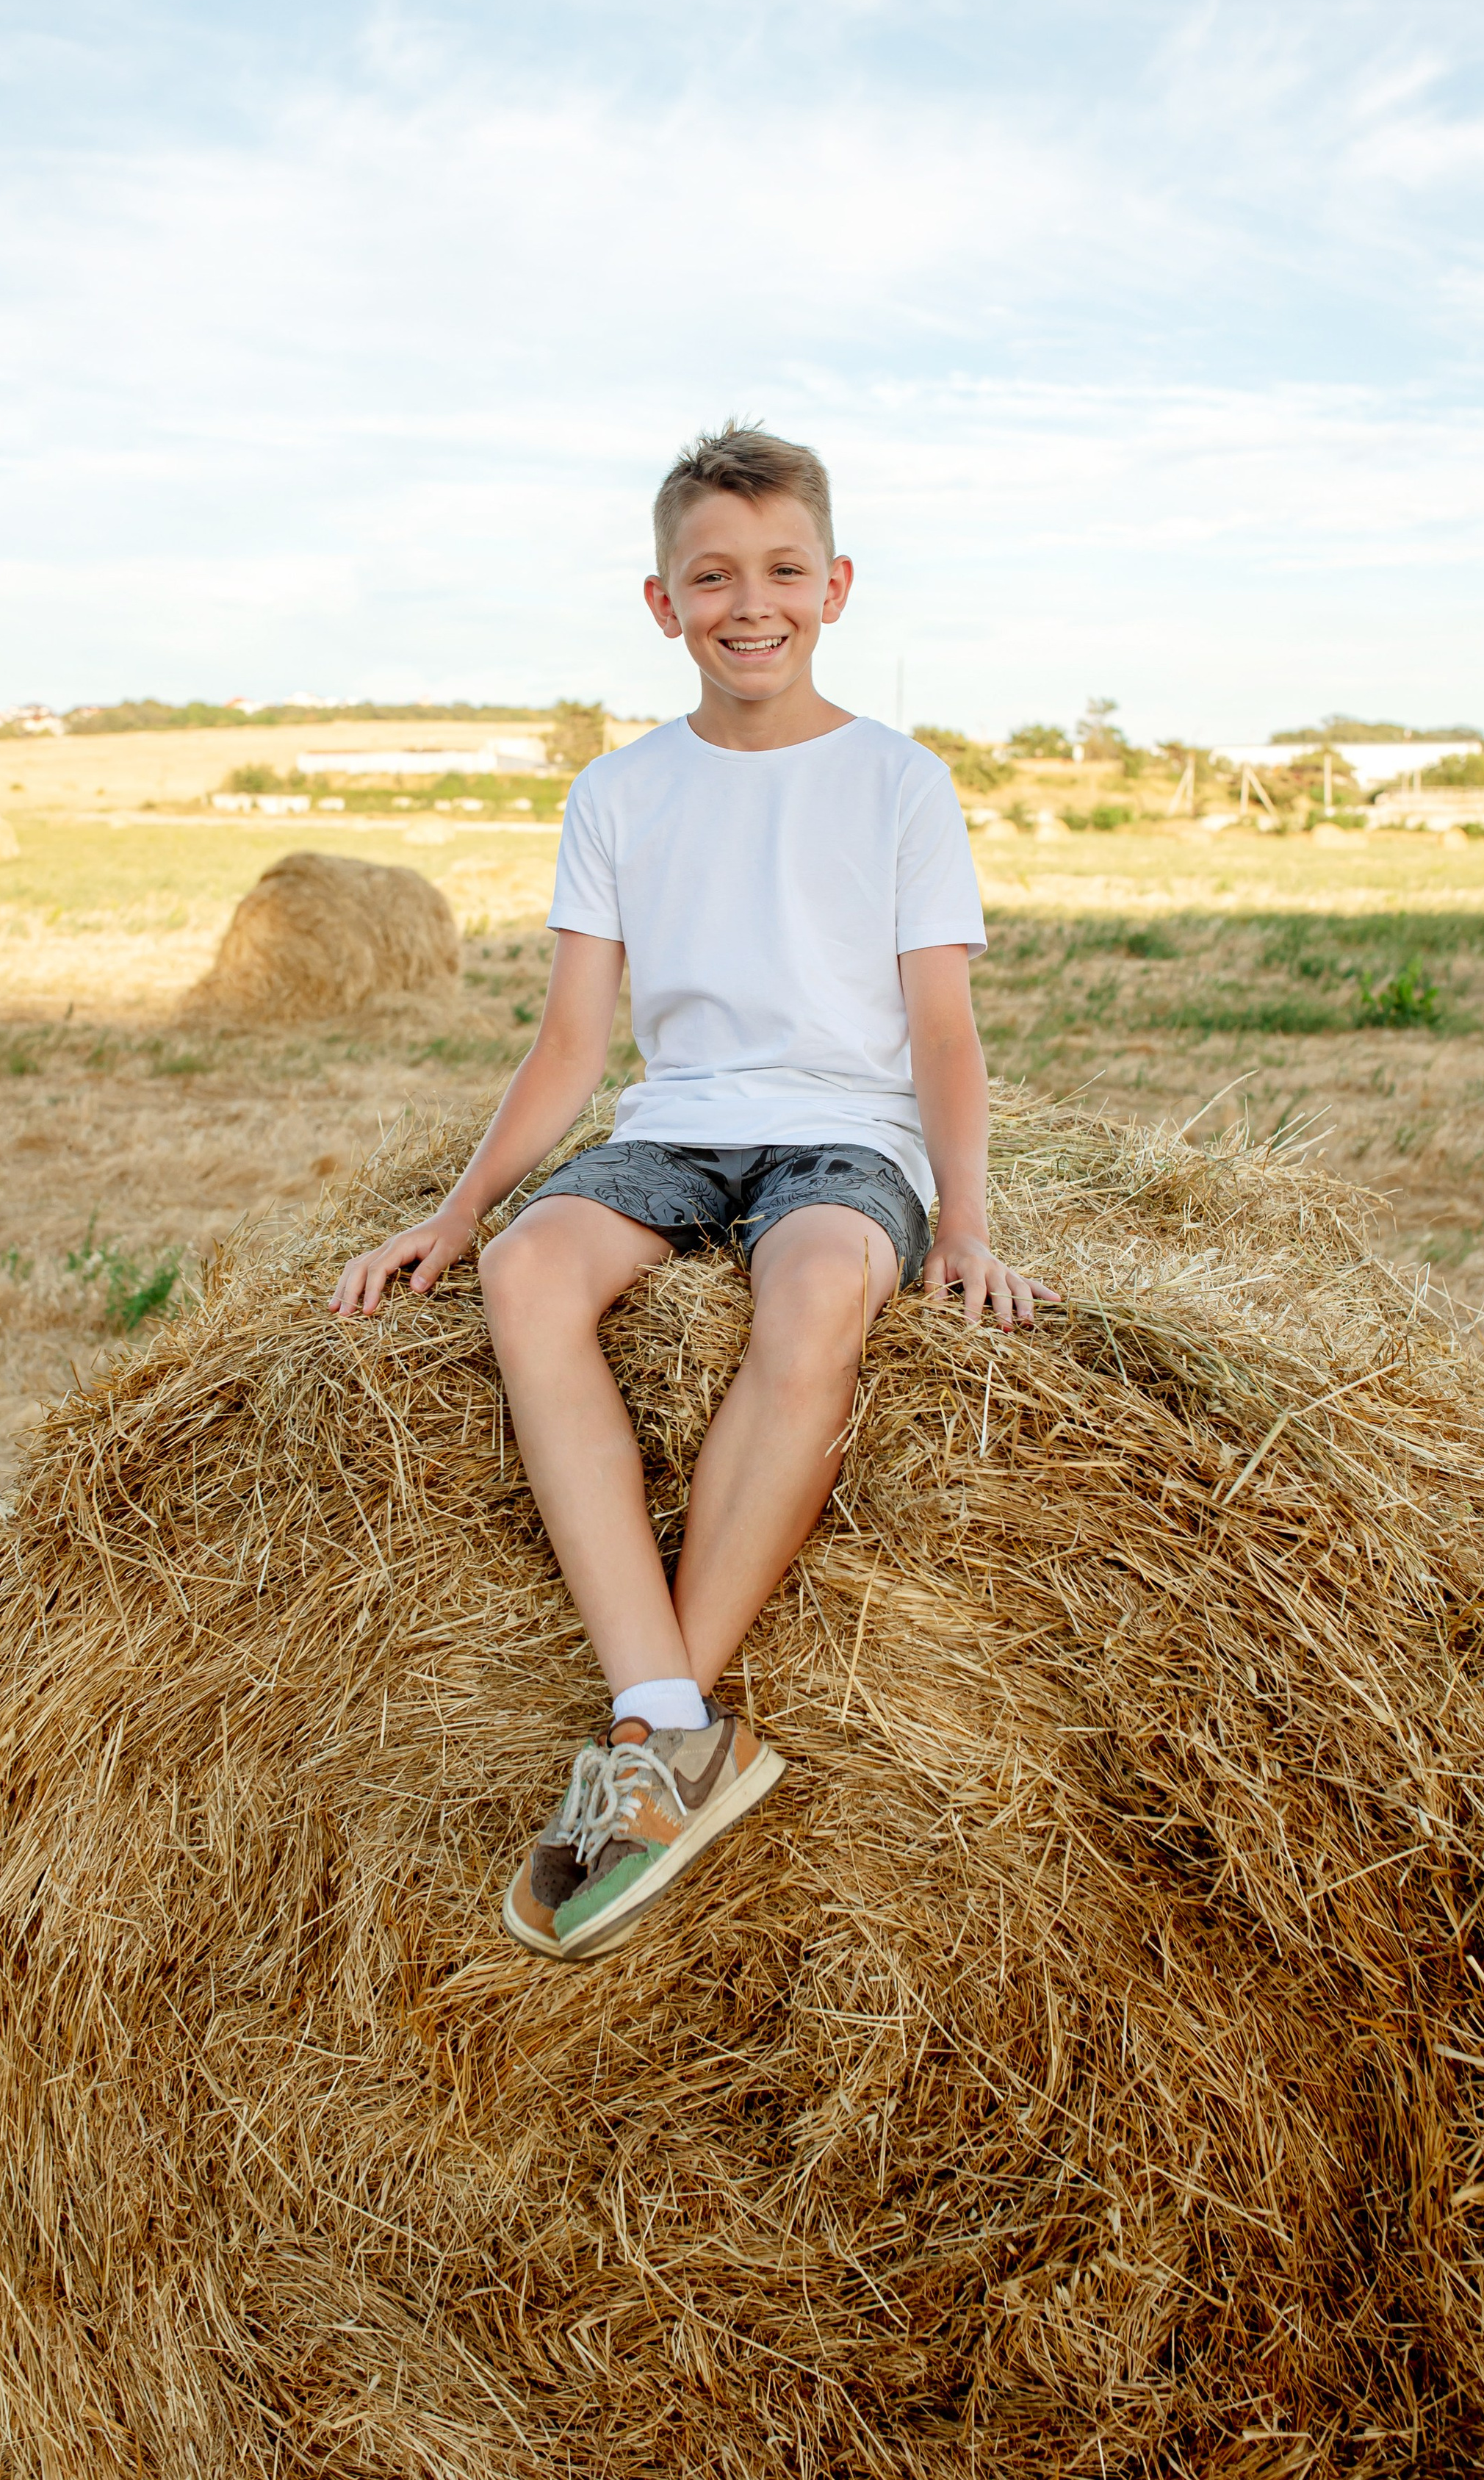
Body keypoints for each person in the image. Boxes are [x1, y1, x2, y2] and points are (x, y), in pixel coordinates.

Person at [329, 422, 1058, 1962]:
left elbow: (940, 1031)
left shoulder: (896, 782)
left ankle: (654, 1759)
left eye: (782, 571)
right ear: (660, 603)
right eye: (711, 576)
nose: (750, 603)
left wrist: (970, 1226)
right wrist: (458, 1219)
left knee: (810, 1290)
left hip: (844, 1137)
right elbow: (571, 1042)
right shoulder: (618, 793)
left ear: (836, 585)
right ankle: (669, 1719)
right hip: (678, 1126)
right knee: (529, 1276)